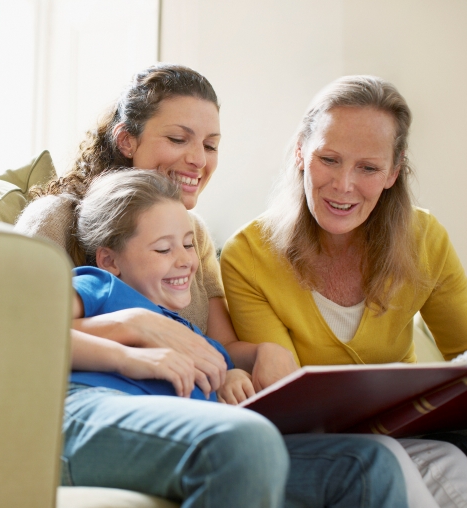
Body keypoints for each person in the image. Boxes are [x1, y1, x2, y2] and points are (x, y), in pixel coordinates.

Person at [63, 168, 407, 507]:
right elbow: (28, 330)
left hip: (184, 434)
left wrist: (229, 379)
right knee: (246, 442)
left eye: (188, 244)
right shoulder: (102, 287)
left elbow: (226, 385)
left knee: (368, 464)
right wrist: (131, 352)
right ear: (110, 260)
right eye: (164, 250)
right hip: (90, 406)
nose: (185, 260)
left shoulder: (196, 339)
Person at [220, 75, 467, 508]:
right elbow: (290, 400)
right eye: (329, 159)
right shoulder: (248, 255)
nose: (342, 185)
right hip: (322, 446)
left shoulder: (425, 238)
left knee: (453, 460)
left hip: (407, 431)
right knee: (391, 457)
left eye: (368, 168)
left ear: (394, 172)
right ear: (301, 152)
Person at [17, 63, 298, 396]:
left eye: (210, 146)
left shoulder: (195, 234)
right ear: (126, 140)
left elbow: (219, 346)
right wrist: (137, 327)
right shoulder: (57, 217)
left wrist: (258, 354)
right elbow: (18, 327)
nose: (198, 159)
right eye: (179, 139)